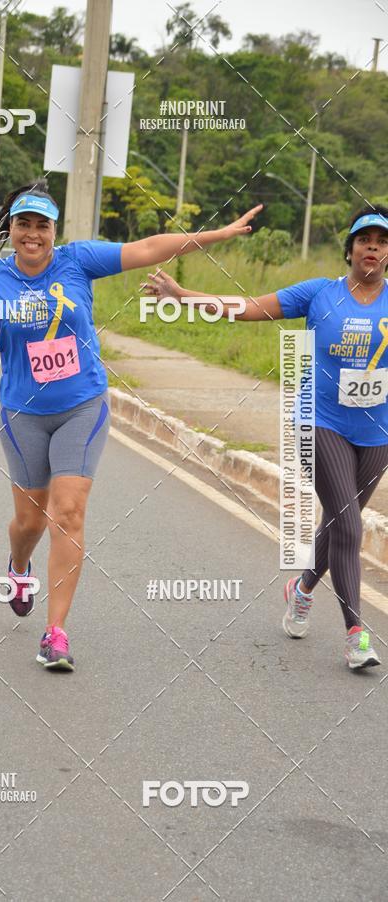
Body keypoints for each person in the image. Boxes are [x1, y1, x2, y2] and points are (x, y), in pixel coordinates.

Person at [0, 180, 260, 671]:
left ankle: (55, 632)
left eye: (42, 226)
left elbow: (147, 248)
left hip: (83, 405)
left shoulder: (78, 261)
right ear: (10, 229)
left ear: (54, 232)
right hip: (23, 414)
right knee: (30, 521)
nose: (32, 235)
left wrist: (218, 235)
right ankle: (18, 568)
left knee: (69, 512)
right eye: (23, 225)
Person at [146, 205, 388, 671]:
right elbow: (249, 307)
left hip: (377, 430)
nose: (372, 247)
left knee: (341, 523)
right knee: (351, 526)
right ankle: (356, 634)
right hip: (322, 423)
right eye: (364, 239)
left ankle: (301, 589)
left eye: (381, 241)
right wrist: (181, 294)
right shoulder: (320, 294)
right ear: (350, 249)